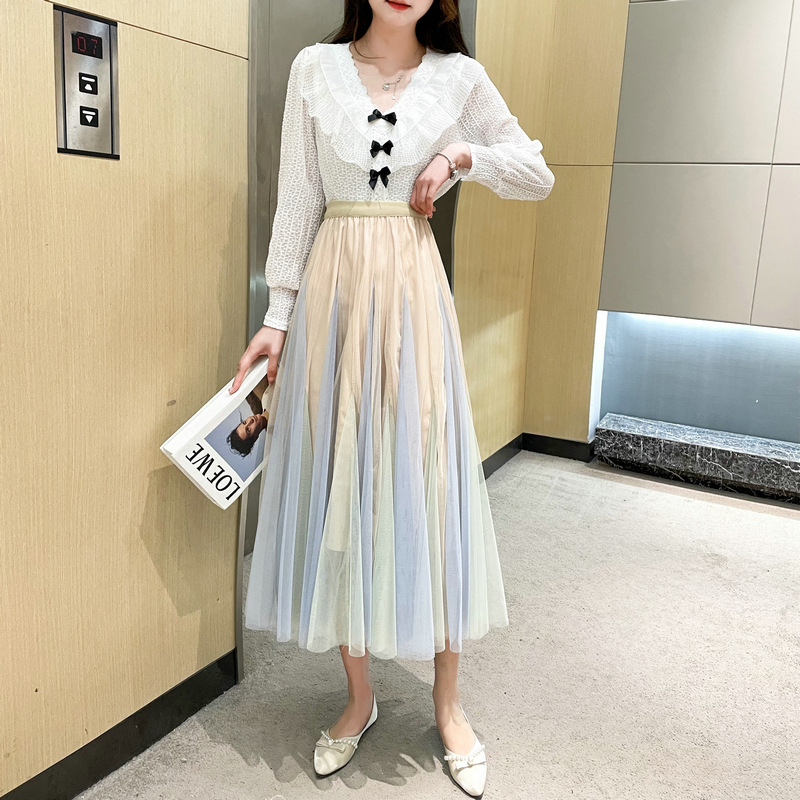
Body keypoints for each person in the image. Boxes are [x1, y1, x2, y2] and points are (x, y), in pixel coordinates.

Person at [230, 1, 555, 794]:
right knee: (343, 485)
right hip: (332, 301)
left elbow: (535, 173)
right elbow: (297, 199)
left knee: (428, 483)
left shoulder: (459, 77)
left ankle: (448, 703)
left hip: (412, 299)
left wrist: (460, 157)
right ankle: (359, 698)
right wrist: (277, 317)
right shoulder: (314, 69)